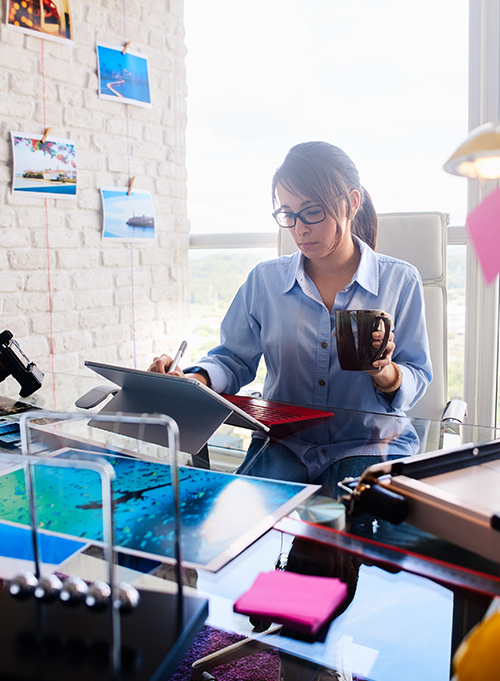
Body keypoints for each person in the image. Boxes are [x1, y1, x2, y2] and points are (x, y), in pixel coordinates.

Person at [149, 141, 432, 417]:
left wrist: (382, 370)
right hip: (286, 442)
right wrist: (192, 380)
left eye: (311, 212)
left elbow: (417, 374)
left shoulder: (400, 279)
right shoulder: (265, 280)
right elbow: (232, 359)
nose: (299, 229)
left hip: (369, 441)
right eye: (288, 214)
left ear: (352, 203)